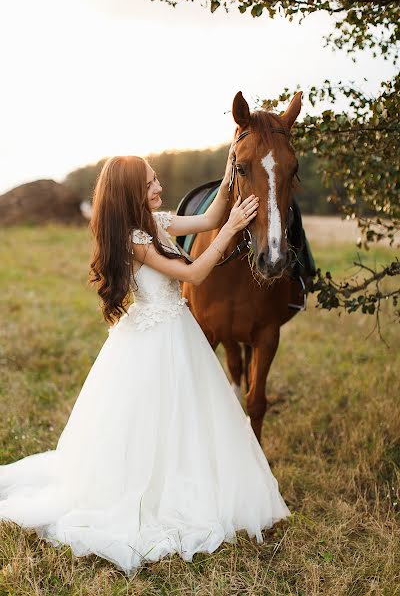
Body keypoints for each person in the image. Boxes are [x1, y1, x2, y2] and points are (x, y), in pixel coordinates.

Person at [0, 154, 291, 577]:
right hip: (154, 340)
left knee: (185, 417)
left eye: (156, 181)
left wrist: (232, 174)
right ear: (132, 192)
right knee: (150, 420)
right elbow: (191, 276)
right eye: (152, 183)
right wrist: (231, 229)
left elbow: (209, 217)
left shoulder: (158, 221)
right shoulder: (135, 237)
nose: (158, 188)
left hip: (177, 333)